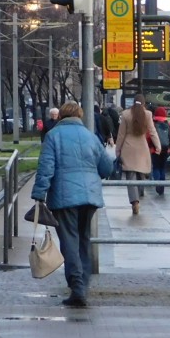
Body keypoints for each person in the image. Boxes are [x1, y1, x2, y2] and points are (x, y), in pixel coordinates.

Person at [30, 101, 115, 308]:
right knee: (84, 238)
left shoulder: (53, 136)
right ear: (80, 116)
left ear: (60, 117)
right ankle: (83, 283)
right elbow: (106, 168)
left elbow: (46, 168)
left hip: (65, 197)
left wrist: (39, 194)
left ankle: (77, 287)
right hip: (90, 198)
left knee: (69, 241)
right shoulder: (91, 137)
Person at [115, 98, 161, 216]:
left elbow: (121, 135)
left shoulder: (125, 114)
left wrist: (118, 149)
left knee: (130, 176)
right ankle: (140, 193)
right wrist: (158, 146)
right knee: (141, 173)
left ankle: (134, 201)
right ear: (144, 103)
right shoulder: (148, 114)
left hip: (128, 147)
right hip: (142, 147)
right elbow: (152, 131)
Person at [151, 105, 170, 196]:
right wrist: (169, 146)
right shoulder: (168, 124)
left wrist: (151, 146)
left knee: (156, 167)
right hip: (165, 150)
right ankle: (162, 187)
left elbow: (149, 136)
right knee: (162, 168)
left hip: (154, 150)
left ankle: (157, 184)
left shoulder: (153, 123)